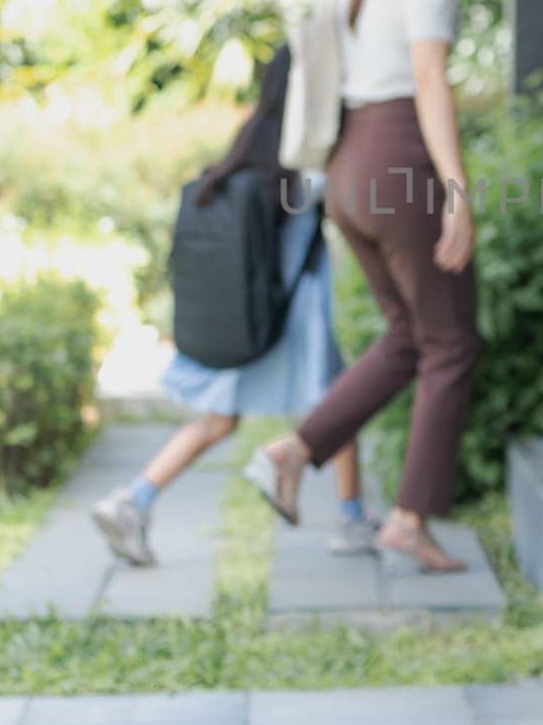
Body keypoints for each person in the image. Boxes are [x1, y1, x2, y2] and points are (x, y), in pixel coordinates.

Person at [244, 0, 480, 574]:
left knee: (409, 336)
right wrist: (455, 189)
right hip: (402, 155)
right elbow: (429, 76)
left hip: (347, 166)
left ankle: (293, 449)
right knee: (450, 343)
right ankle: (408, 517)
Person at [91, 52, 373, 566]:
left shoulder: (251, 143)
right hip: (291, 312)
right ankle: (351, 520)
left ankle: (133, 499)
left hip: (249, 313)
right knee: (340, 406)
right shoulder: (307, 153)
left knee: (219, 421)